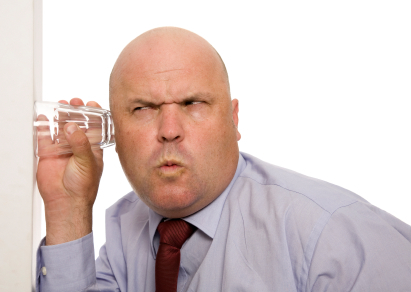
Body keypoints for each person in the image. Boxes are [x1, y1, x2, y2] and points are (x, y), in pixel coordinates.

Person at [36, 27, 411, 292]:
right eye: (143, 108)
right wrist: (68, 208)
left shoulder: (333, 235)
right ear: (113, 131)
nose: (169, 129)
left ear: (233, 119)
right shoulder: (124, 229)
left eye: (192, 103)